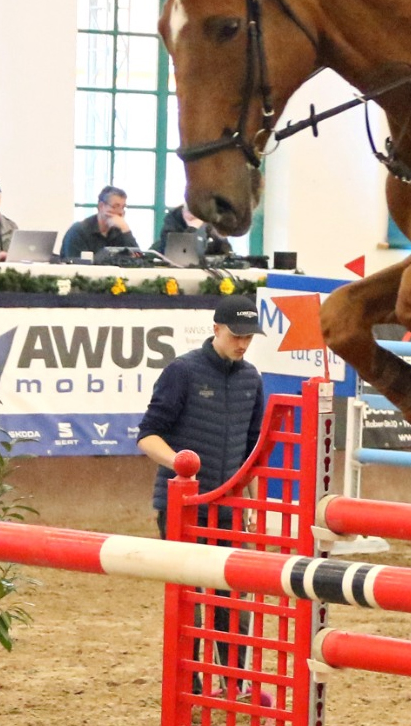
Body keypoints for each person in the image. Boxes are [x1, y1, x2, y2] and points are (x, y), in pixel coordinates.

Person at [136, 295, 266, 690]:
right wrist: (180, 464)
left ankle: (235, 680)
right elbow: (148, 435)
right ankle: (188, 684)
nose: (242, 344)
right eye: (236, 335)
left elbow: (252, 450)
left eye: (248, 337)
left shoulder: (252, 379)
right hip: (183, 506)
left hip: (229, 507)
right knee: (188, 597)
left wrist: (250, 502)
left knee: (231, 597)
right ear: (216, 329)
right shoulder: (182, 371)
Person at [60, 184, 138, 258]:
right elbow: (76, 264)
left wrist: (126, 230)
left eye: (123, 207)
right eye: (115, 206)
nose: (120, 212)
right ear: (101, 206)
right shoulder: (79, 231)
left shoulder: (119, 232)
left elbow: (139, 260)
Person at [151, 202, 234, 256]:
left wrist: (217, 236)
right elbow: (177, 254)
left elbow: (226, 252)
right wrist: (192, 229)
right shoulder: (172, 224)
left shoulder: (208, 225)